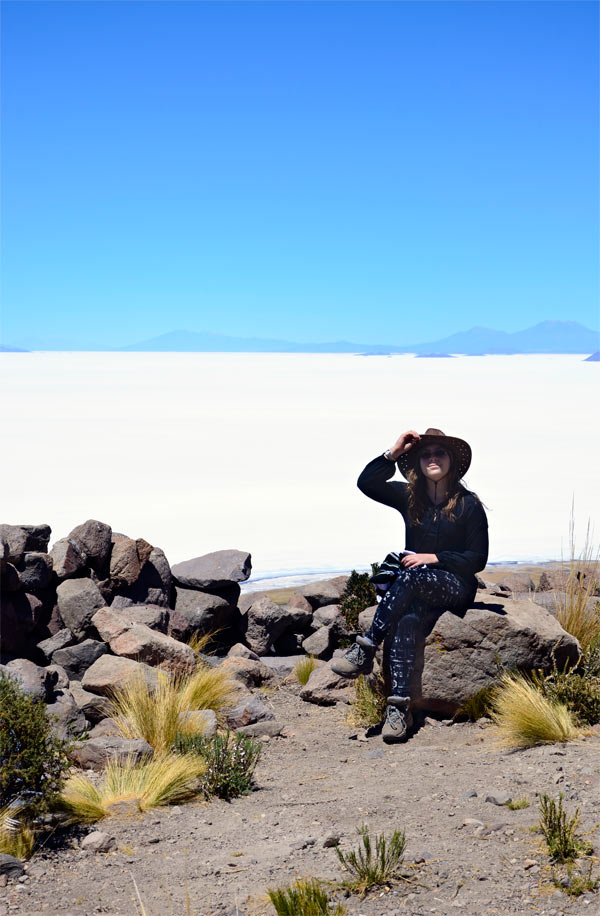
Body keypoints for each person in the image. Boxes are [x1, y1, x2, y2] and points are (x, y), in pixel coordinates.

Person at [332, 428, 489, 743]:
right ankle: (399, 708)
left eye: (439, 453)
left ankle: (365, 647)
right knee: (406, 620)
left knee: (410, 575)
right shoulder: (410, 497)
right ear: (416, 462)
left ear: (452, 461)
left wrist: (434, 557)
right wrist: (393, 451)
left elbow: (478, 558)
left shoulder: (468, 504)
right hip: (416, 589)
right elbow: (367, 483)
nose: (432, 458)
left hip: (454, 586)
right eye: (425, 454)